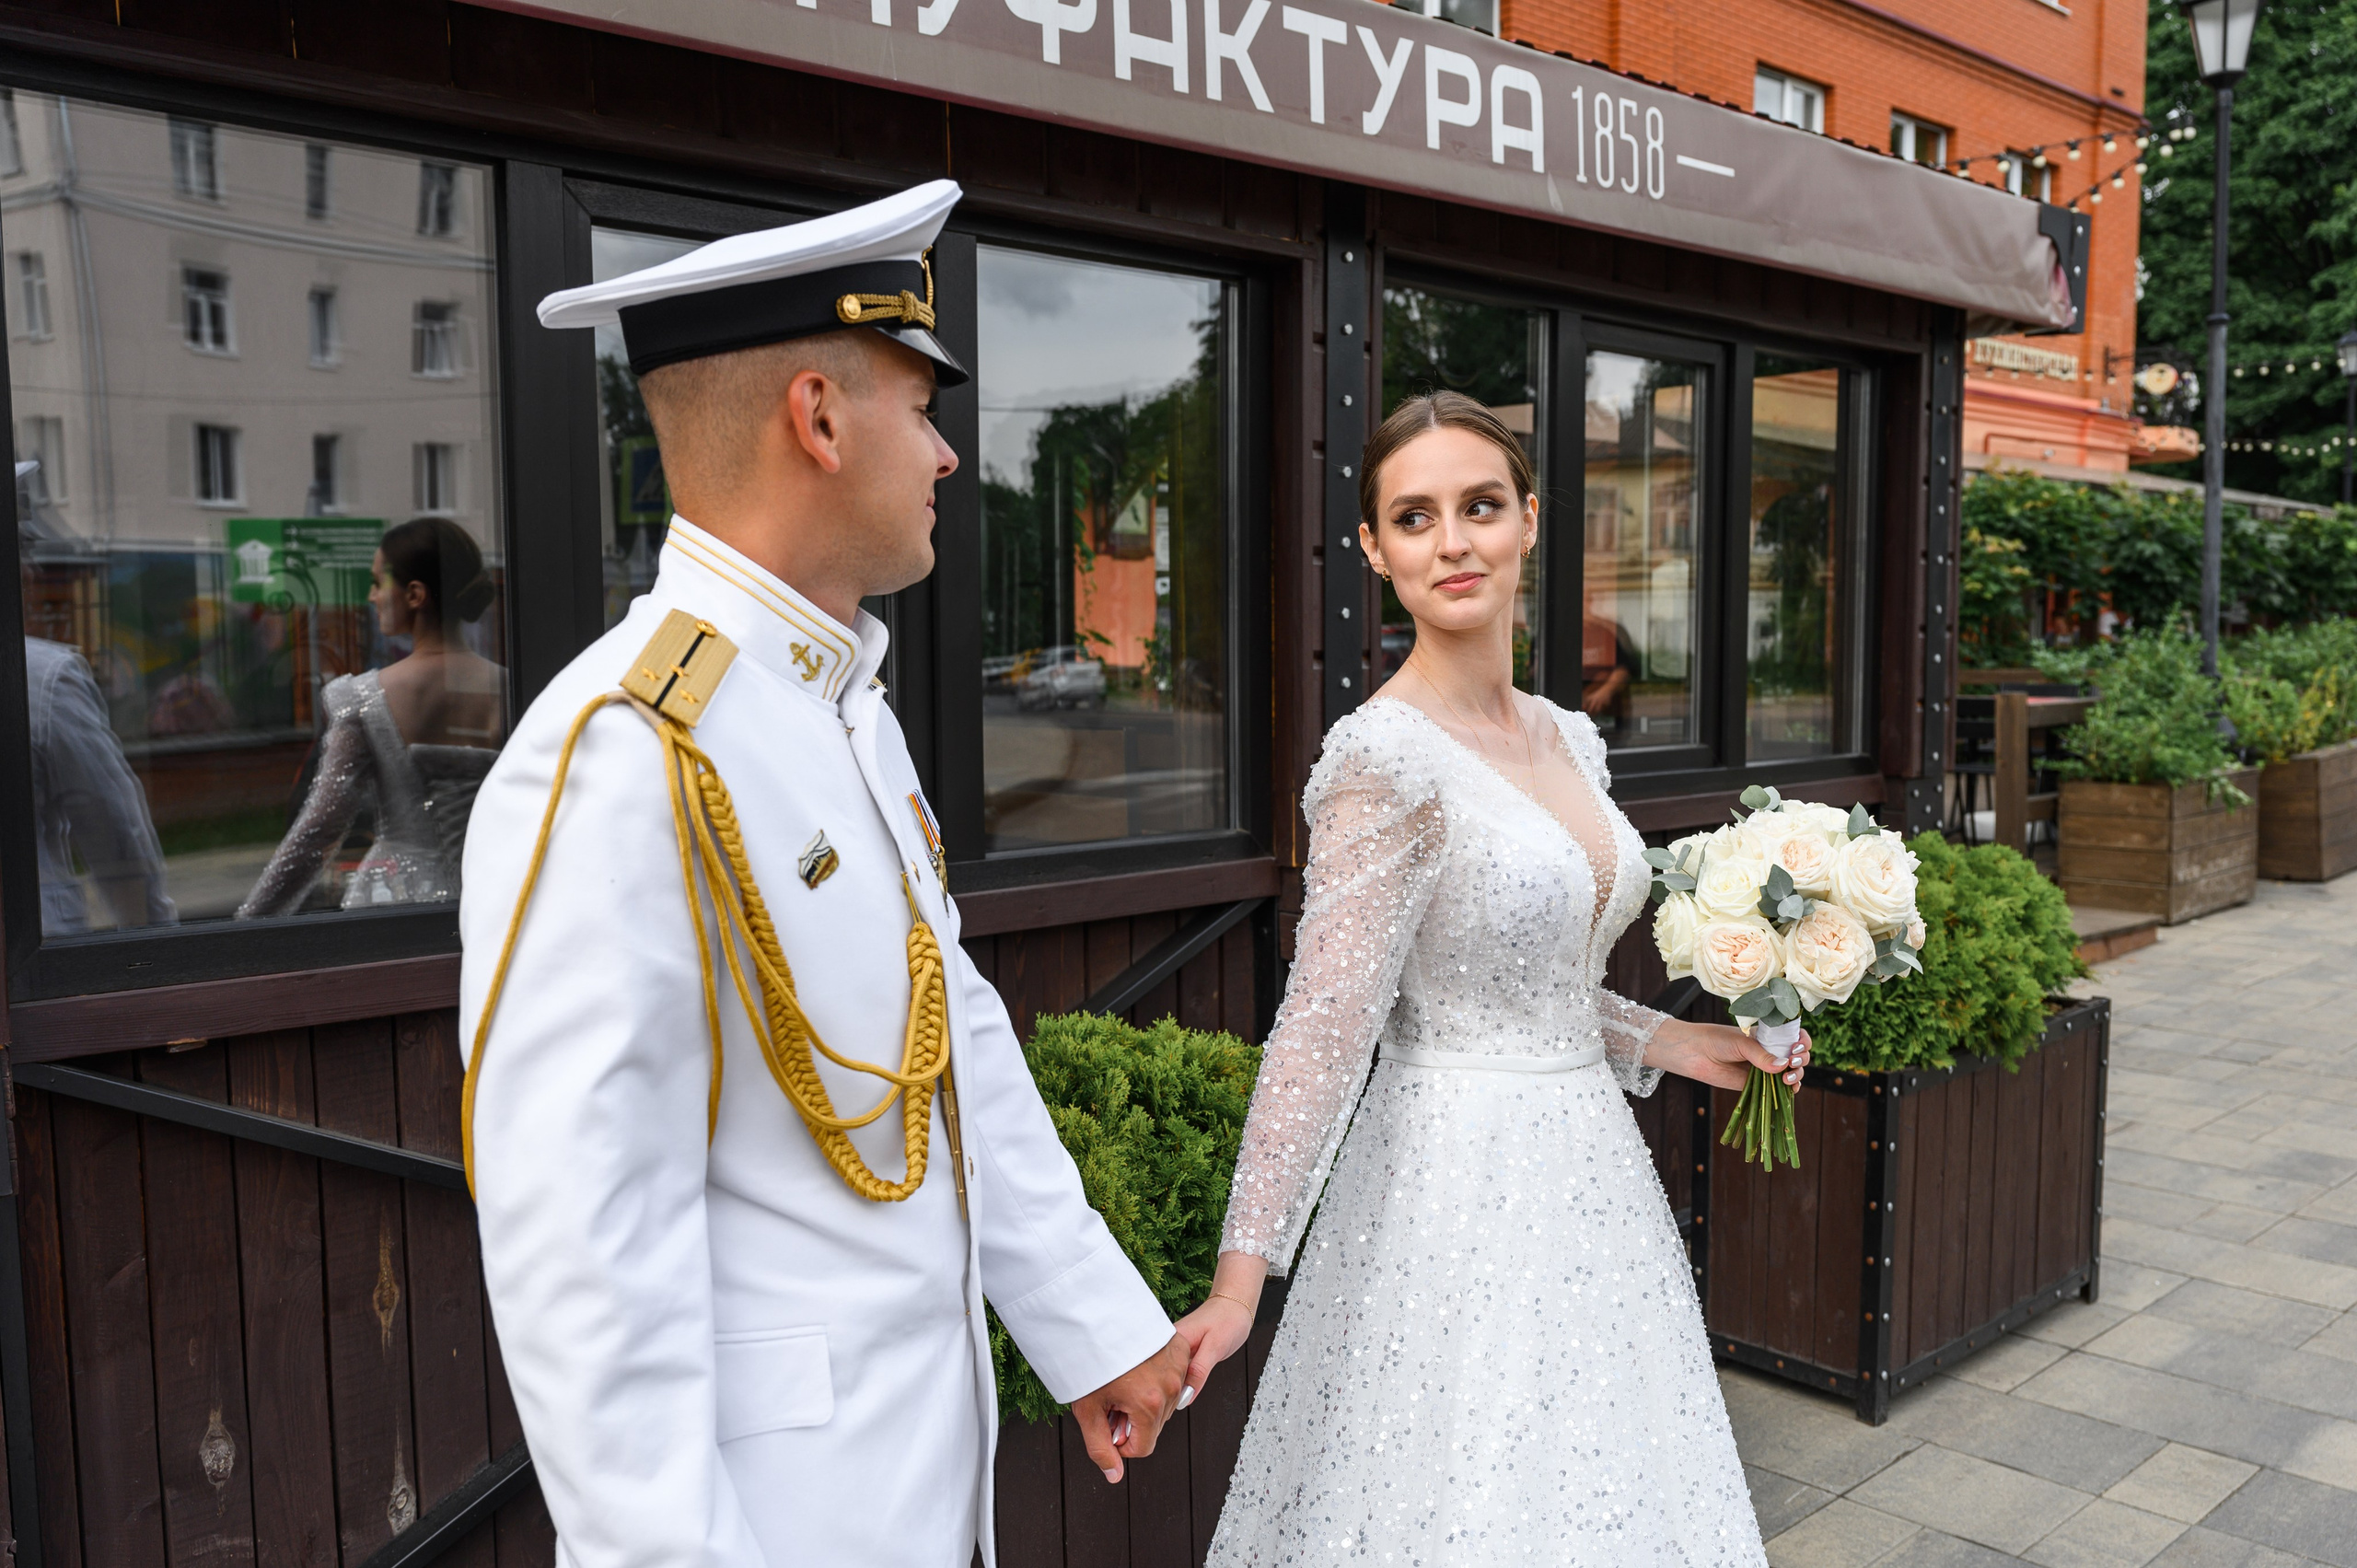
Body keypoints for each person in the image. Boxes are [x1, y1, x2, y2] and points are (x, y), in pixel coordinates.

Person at [459, 180, 1188, 1568]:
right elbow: (584, 1250)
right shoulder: (628, 747)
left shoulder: (835, 702)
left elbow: (945, 1032)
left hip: (911, 1482)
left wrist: (1092, 1321)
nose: (948, 454)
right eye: (922, 407)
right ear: (818, 415)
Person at [1175, 391, 1808, 1565]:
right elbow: (1325, 1027)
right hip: (1446, 1190)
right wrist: (1240, 1278)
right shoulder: (1382, 759)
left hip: (1592, 1186)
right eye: (1413, 517)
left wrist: (1678, 1042)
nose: (1450, 541)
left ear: (1529, 520)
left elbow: (1537, 985)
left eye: (1477, 506)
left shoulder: (1569, 734)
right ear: (1374, 549)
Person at [238, 517, 505, 917]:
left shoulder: (363, 698)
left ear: (415, 594)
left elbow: (319, 830)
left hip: (396, 908)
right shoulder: (514, 687)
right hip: (495, 902)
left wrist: (250, 926)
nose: (371, 596)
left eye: (378, 582)